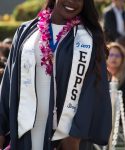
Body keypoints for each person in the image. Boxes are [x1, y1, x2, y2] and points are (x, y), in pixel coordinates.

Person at [0, 0, 112, 150]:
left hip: (65, 138)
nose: (72, 1)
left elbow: (92, 91)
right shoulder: (26, 31)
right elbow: (8, 83)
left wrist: (74, 135)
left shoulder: (87, 40)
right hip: (25, 132)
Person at [107, 42, 125, 129]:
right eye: (111, 55)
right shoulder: (100, 74)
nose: (114, 58)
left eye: (118, 55)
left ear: (123, 59)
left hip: (121, 118)